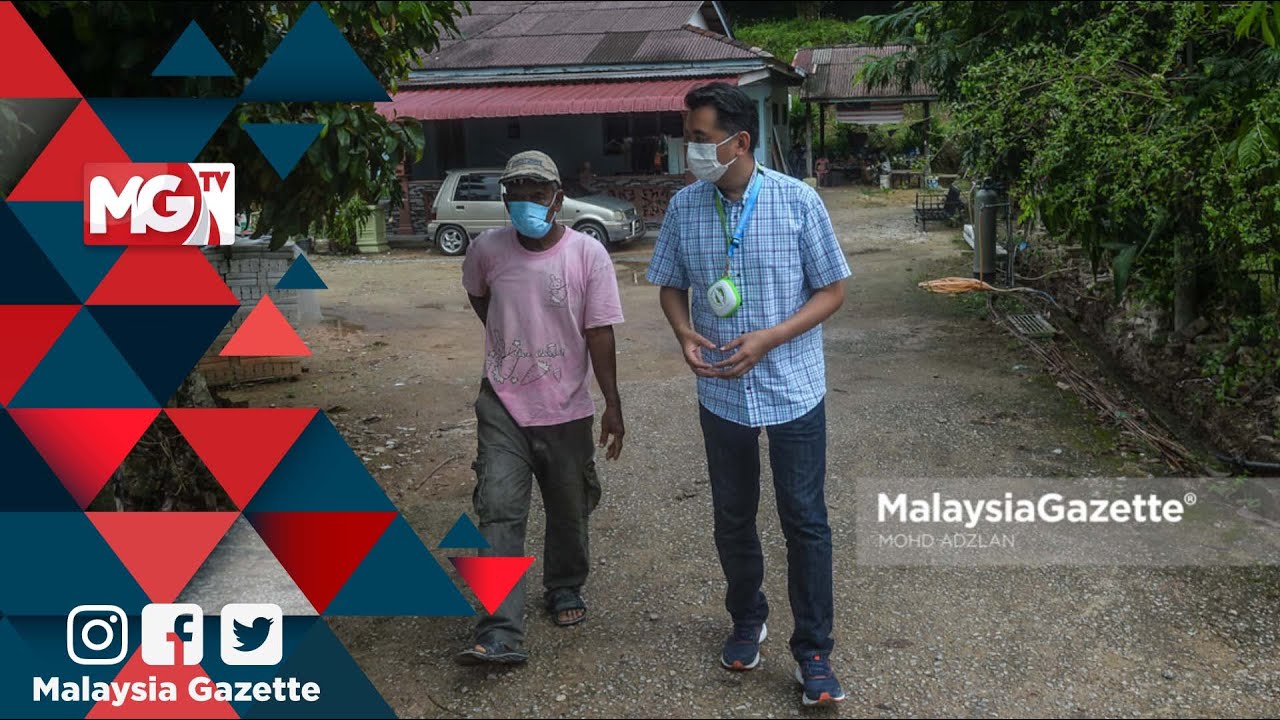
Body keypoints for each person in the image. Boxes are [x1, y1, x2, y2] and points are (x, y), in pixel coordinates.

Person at [646, 82, 852, 707]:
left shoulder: (797, 202)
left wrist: (771, 338)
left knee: (805, 520)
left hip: (792, 389)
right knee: (733, 516)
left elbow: (832, 290)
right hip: (722, 397)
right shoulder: (685, 209)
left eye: (701, 140)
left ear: (739, 142)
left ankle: (813, 651)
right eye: (688, 140)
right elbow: (670, 286)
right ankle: (747, 618)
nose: (692, 153)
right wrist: (683, 333)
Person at [457, 150, 626, 665]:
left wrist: (613, 406)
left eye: (537, 193)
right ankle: (500, 629)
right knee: (499, 511)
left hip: (567, 407)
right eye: (516, 194)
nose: (526, 202)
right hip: (502, 403)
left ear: (557, 197)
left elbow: (599, 332)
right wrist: (511, 341)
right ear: (505, 199)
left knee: (569, 509)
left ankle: (564, 586)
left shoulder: (586, 256)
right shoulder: (487, 249)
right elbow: (480, 298)